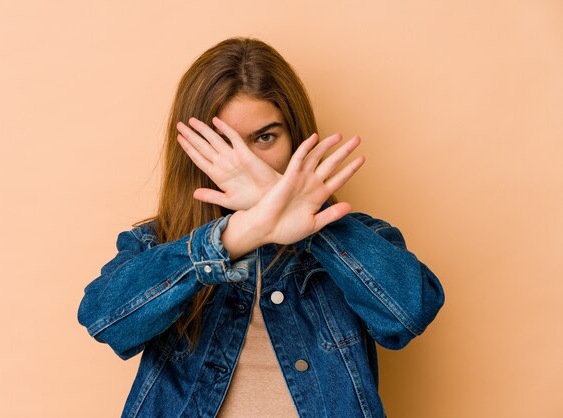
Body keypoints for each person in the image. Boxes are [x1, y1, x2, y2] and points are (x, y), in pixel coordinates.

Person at [77, 36, 445, 418]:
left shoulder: (355, 238)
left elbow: (407, 316)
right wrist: (236, 236)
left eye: (265, 138)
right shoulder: (158, 244)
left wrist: (308, 224)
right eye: (226, 144)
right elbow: (106, 321)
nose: (250, 164)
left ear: (295, 137)